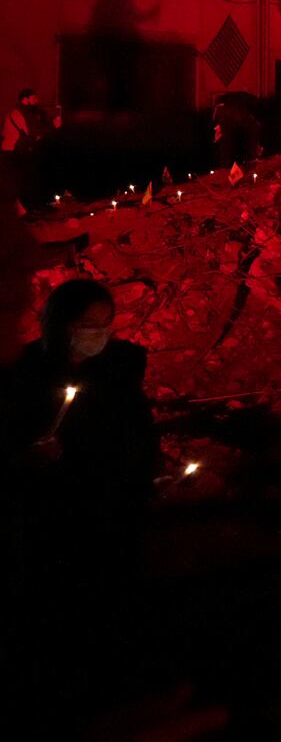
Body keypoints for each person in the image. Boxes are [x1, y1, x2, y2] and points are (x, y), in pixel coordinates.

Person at [2, 279, 158, 726]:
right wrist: (28, 455)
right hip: (54, 515)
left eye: (106, 324)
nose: (100, 334)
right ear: (62, 323)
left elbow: (137, 429)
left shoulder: (122, 365)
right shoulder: (24, 372)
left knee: (115, 606)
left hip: (113, 506)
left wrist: (146, 475)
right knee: (59, 615)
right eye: (89, 325)